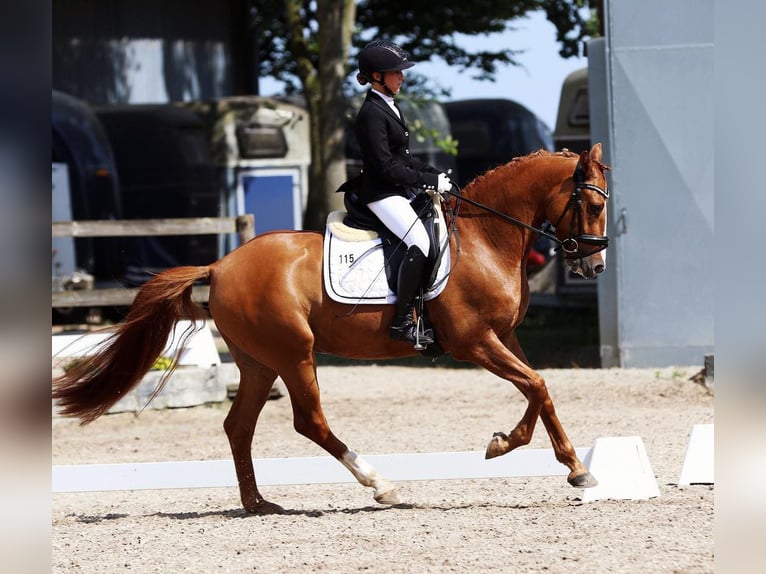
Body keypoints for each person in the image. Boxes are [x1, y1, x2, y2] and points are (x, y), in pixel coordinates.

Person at [353, 39, 452, 346]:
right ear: (377, 76)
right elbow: (385, 167)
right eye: (396, 72)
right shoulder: (371, 113)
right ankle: (401, 322)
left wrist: (433, 174)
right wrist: (429, 183)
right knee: (419, 242)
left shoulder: (389, 106)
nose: (403, 77)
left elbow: (403, 159)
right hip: (381, 193)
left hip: (397, 190)